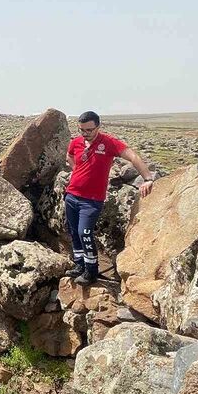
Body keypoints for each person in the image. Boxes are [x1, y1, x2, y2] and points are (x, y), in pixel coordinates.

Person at [65, 111, 156, 286]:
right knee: (73, 231)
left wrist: (148, 178)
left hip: (91, 200)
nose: (86, 133)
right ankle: (79, 265)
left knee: (84, 232)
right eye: (82, 130)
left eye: (90, 130)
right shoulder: (76, 142)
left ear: (98, 127)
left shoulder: (108, 143)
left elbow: (133, 156)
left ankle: (91, 271)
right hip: (72, 195)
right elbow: (69, 156)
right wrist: (77, 171)